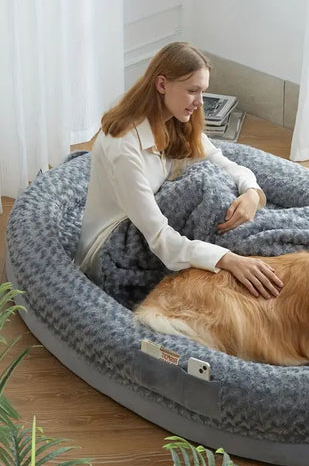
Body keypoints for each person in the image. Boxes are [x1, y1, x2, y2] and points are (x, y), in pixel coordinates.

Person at [75, 42, 283, 299]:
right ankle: (267, 249)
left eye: (203, 91)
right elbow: (160, 237)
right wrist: (229, 260)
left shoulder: (175, 122)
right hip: (114, 252)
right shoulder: (122, 147)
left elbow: (226, 165)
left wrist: (252, 194)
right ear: (162, 85)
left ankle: (267, 241)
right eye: (192, 91)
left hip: (147, 231)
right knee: (202, 184)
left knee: (212, 181)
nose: (200, 102)